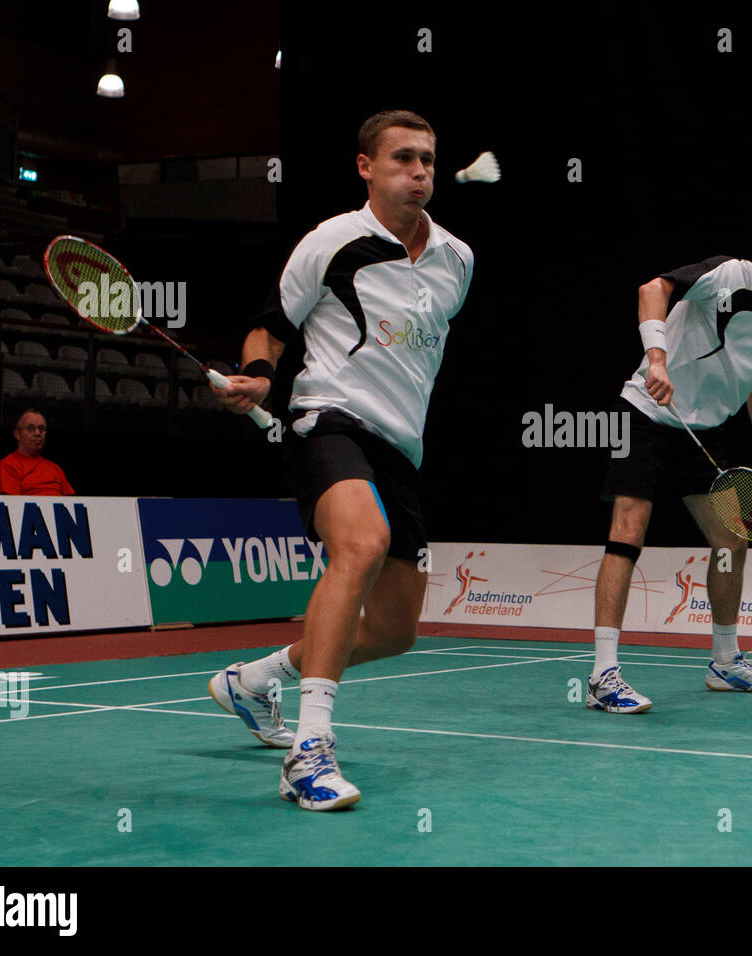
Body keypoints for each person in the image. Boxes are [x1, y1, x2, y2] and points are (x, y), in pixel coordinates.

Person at [206, 110, 473, 811]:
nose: (419, 172)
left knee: (394, 631)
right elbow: (272, 325)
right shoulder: (332, 241)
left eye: (428, 161)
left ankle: (257, 679)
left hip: (400, 447)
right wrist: (260, 374)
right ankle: (310, 752)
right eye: (403, 159)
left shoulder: (457, 261)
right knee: (361, 543)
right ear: (366, 167)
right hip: (327, 419)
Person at [588, 207, 752, 712]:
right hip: (647, 413)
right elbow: (652, 289)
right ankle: (603, 676)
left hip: (701, 431)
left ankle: (725, 661)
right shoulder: (730, 275)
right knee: (628, 532)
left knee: (732, 540)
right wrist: (658, 358)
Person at [0, 409, 75, 495]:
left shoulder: (55, 468)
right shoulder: (7, 465)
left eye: (41, 429)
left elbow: (73, 503)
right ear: (17, 434)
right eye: (30, 428)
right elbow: (10, 506)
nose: (37, 433)